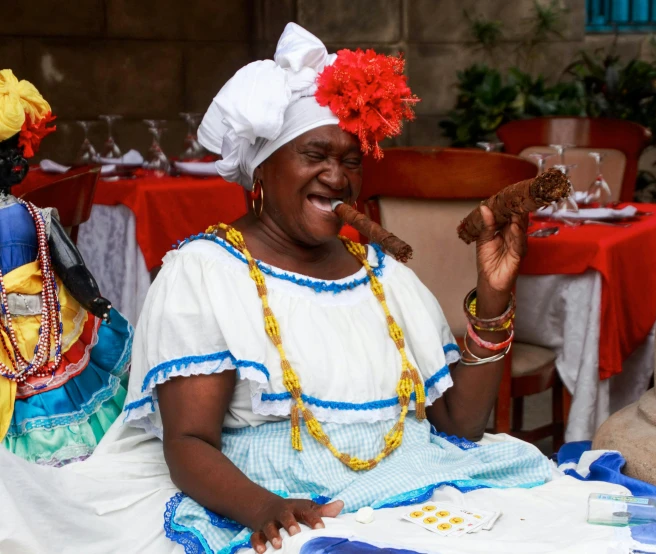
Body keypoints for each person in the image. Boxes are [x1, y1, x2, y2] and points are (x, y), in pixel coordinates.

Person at [0, 25, 560, 554]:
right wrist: (268, 509)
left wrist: (492, 295)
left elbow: (461, 426)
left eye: (350, 161)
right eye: (314, 156)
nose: (337, 178)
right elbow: (189, 443)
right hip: (264, 497)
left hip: (412, 484)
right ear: (261, 172)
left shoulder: (384, 274)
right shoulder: (205, 274)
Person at [0, 69, 133, 467]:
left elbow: (70, 264)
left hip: (43, 326)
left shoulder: (37, 217)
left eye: (14, 152)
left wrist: (94, 300)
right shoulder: (34, 216)